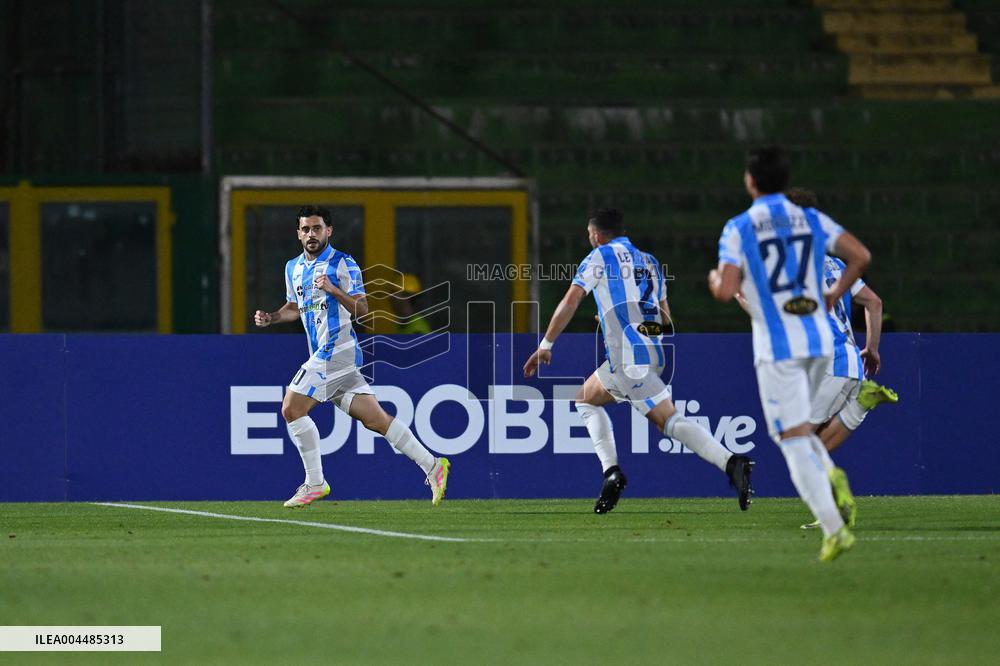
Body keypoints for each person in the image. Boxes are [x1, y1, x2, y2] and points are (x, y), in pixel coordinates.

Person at [524, 207, 754, 514]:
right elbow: (665, 322)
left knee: (669, 421)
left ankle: (731, 463)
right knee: (585, 399)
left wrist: (546, 344)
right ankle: (611, 474)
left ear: (596, 235)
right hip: (652, 352)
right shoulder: (651, 262)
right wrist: (615, 321)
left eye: (590, 235)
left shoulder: (599, 257)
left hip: (628, 358)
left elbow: (571, 299)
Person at [709, 146, 872, 562]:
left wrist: (714, 279)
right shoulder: (812, 219)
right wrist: (836, 292)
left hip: (779, 348)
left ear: (750, 182)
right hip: (821, 342)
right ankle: (831, 475)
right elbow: (861, 257)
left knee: (791, 438)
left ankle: (835, 529)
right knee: (803, 430)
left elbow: (727, 291)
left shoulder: (739, 227)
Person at [254, 205, 450, 507]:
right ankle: (433, 466)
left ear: (329, 231)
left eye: (317, 228)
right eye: (305, 229)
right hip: (331, 357)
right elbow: (293, 308)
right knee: (376, 419)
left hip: (337, 350)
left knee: (292, 408)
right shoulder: (292, 267)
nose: (311, 234)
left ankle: (315, 483)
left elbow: (363, 310)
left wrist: (333, 290)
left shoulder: (343, 263)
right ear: (298, 233)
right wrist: (272, 317)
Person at [783, 188, 899, 529]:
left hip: (829, 362)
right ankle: (861, 404)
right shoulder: (833, 262)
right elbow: (874, 303)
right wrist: (872, 348)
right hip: (850, 359)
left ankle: (833, 512)